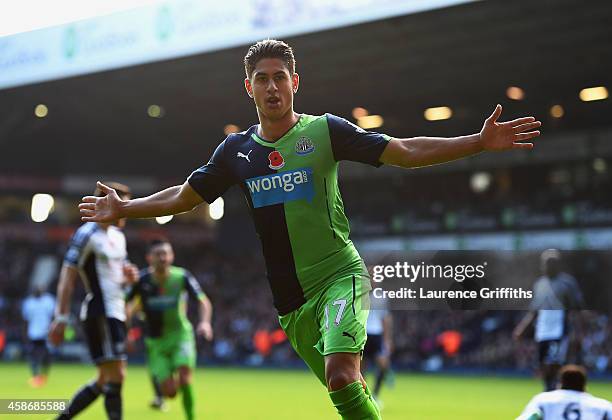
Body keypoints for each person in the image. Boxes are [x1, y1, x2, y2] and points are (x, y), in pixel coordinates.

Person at [78, 39, 541, 419]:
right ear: (249, 88)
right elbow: (184, 197)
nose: (273, 86)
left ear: (295, 82)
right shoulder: (235, 152)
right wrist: (126, 208)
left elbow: (406, 150)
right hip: (291, 302)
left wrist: (477, 143)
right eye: (263, 78)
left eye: (281, 76)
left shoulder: (325, 131)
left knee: (342, 373)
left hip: (341, 274)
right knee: (348, 393)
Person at [49, 182, 138, 420]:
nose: (127, 209)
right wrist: (61, 316)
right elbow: (67, 277)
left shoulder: (119, 237)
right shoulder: (87, 233)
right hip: (100, 311)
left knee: (104, 379)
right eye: (123, 203)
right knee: (117, 374)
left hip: (116, 311)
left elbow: (116, 279)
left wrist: (128, 278)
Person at [126, 238, 213, 420]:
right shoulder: (141, 281)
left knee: (184, 377)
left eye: (166, 253)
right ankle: (164, 389)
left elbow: (203, 301)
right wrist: (127, 333)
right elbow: (124, 305)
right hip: (156, 342)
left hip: (180, 335)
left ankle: (191, 417)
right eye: (158, 254)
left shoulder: (182, 277)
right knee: (171, 393)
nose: (163, 258)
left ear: (172, 256)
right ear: (149, 258)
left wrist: (205, 322)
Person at [513, 249, 585, 391]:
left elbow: (577, 309)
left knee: (555, 364)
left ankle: (557, 391)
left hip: (559, 330)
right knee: (543, 366)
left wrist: (578, 332)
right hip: (542, 331)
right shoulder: (539, 284)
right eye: (545, 264)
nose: (547, 267)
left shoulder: (567, 284)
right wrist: (522, 328)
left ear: (558, 265)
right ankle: (548, 391)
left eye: (551, 264)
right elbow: (534, 311)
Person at [517, 364, 612, 419]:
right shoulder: (603, 406)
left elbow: (529, 417)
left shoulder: (543, 400)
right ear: (584, 385)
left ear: (560, 383)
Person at [21, 284, 55, 387]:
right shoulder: (28, 303)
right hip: (33, 334)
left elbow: (54, 317)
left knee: (47, 356)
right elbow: (25, 320)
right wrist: (24, 335)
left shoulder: (49, 301)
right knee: (33, 356)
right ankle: (36, 377)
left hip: (46, 333)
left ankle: (43, 376)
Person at [362, 306, 393, 405]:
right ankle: (364, 396)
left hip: (377, 335)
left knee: (384, 365)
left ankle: (375, 395)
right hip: (363, 332)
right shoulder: (359, 292)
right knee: (361, 368)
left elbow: (386, 318)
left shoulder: (380, 297)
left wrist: (387, 340)